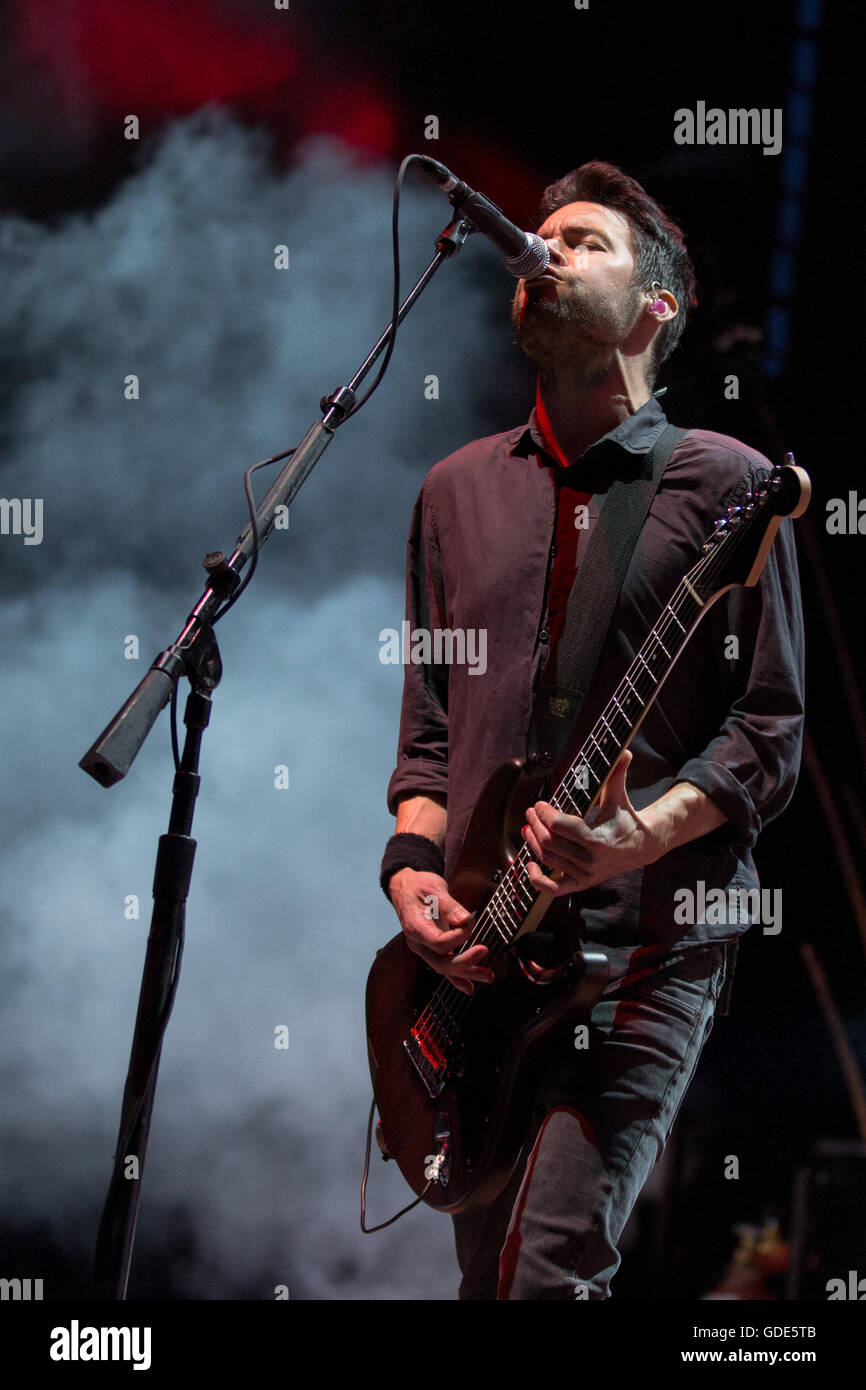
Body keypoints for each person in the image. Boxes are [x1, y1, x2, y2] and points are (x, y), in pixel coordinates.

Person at [379, 162, 805, 1300]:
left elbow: (765, 728)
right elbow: (427, 734)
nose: (542, 252)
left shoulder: (727, 483)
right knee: (490, 1282)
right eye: (539, 237)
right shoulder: (452, 492)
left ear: (654, 306)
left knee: (548, 1270)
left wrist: (632, 837)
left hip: (646, 941)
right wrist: (413, 873)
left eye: (582, 242)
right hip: (484, 952)